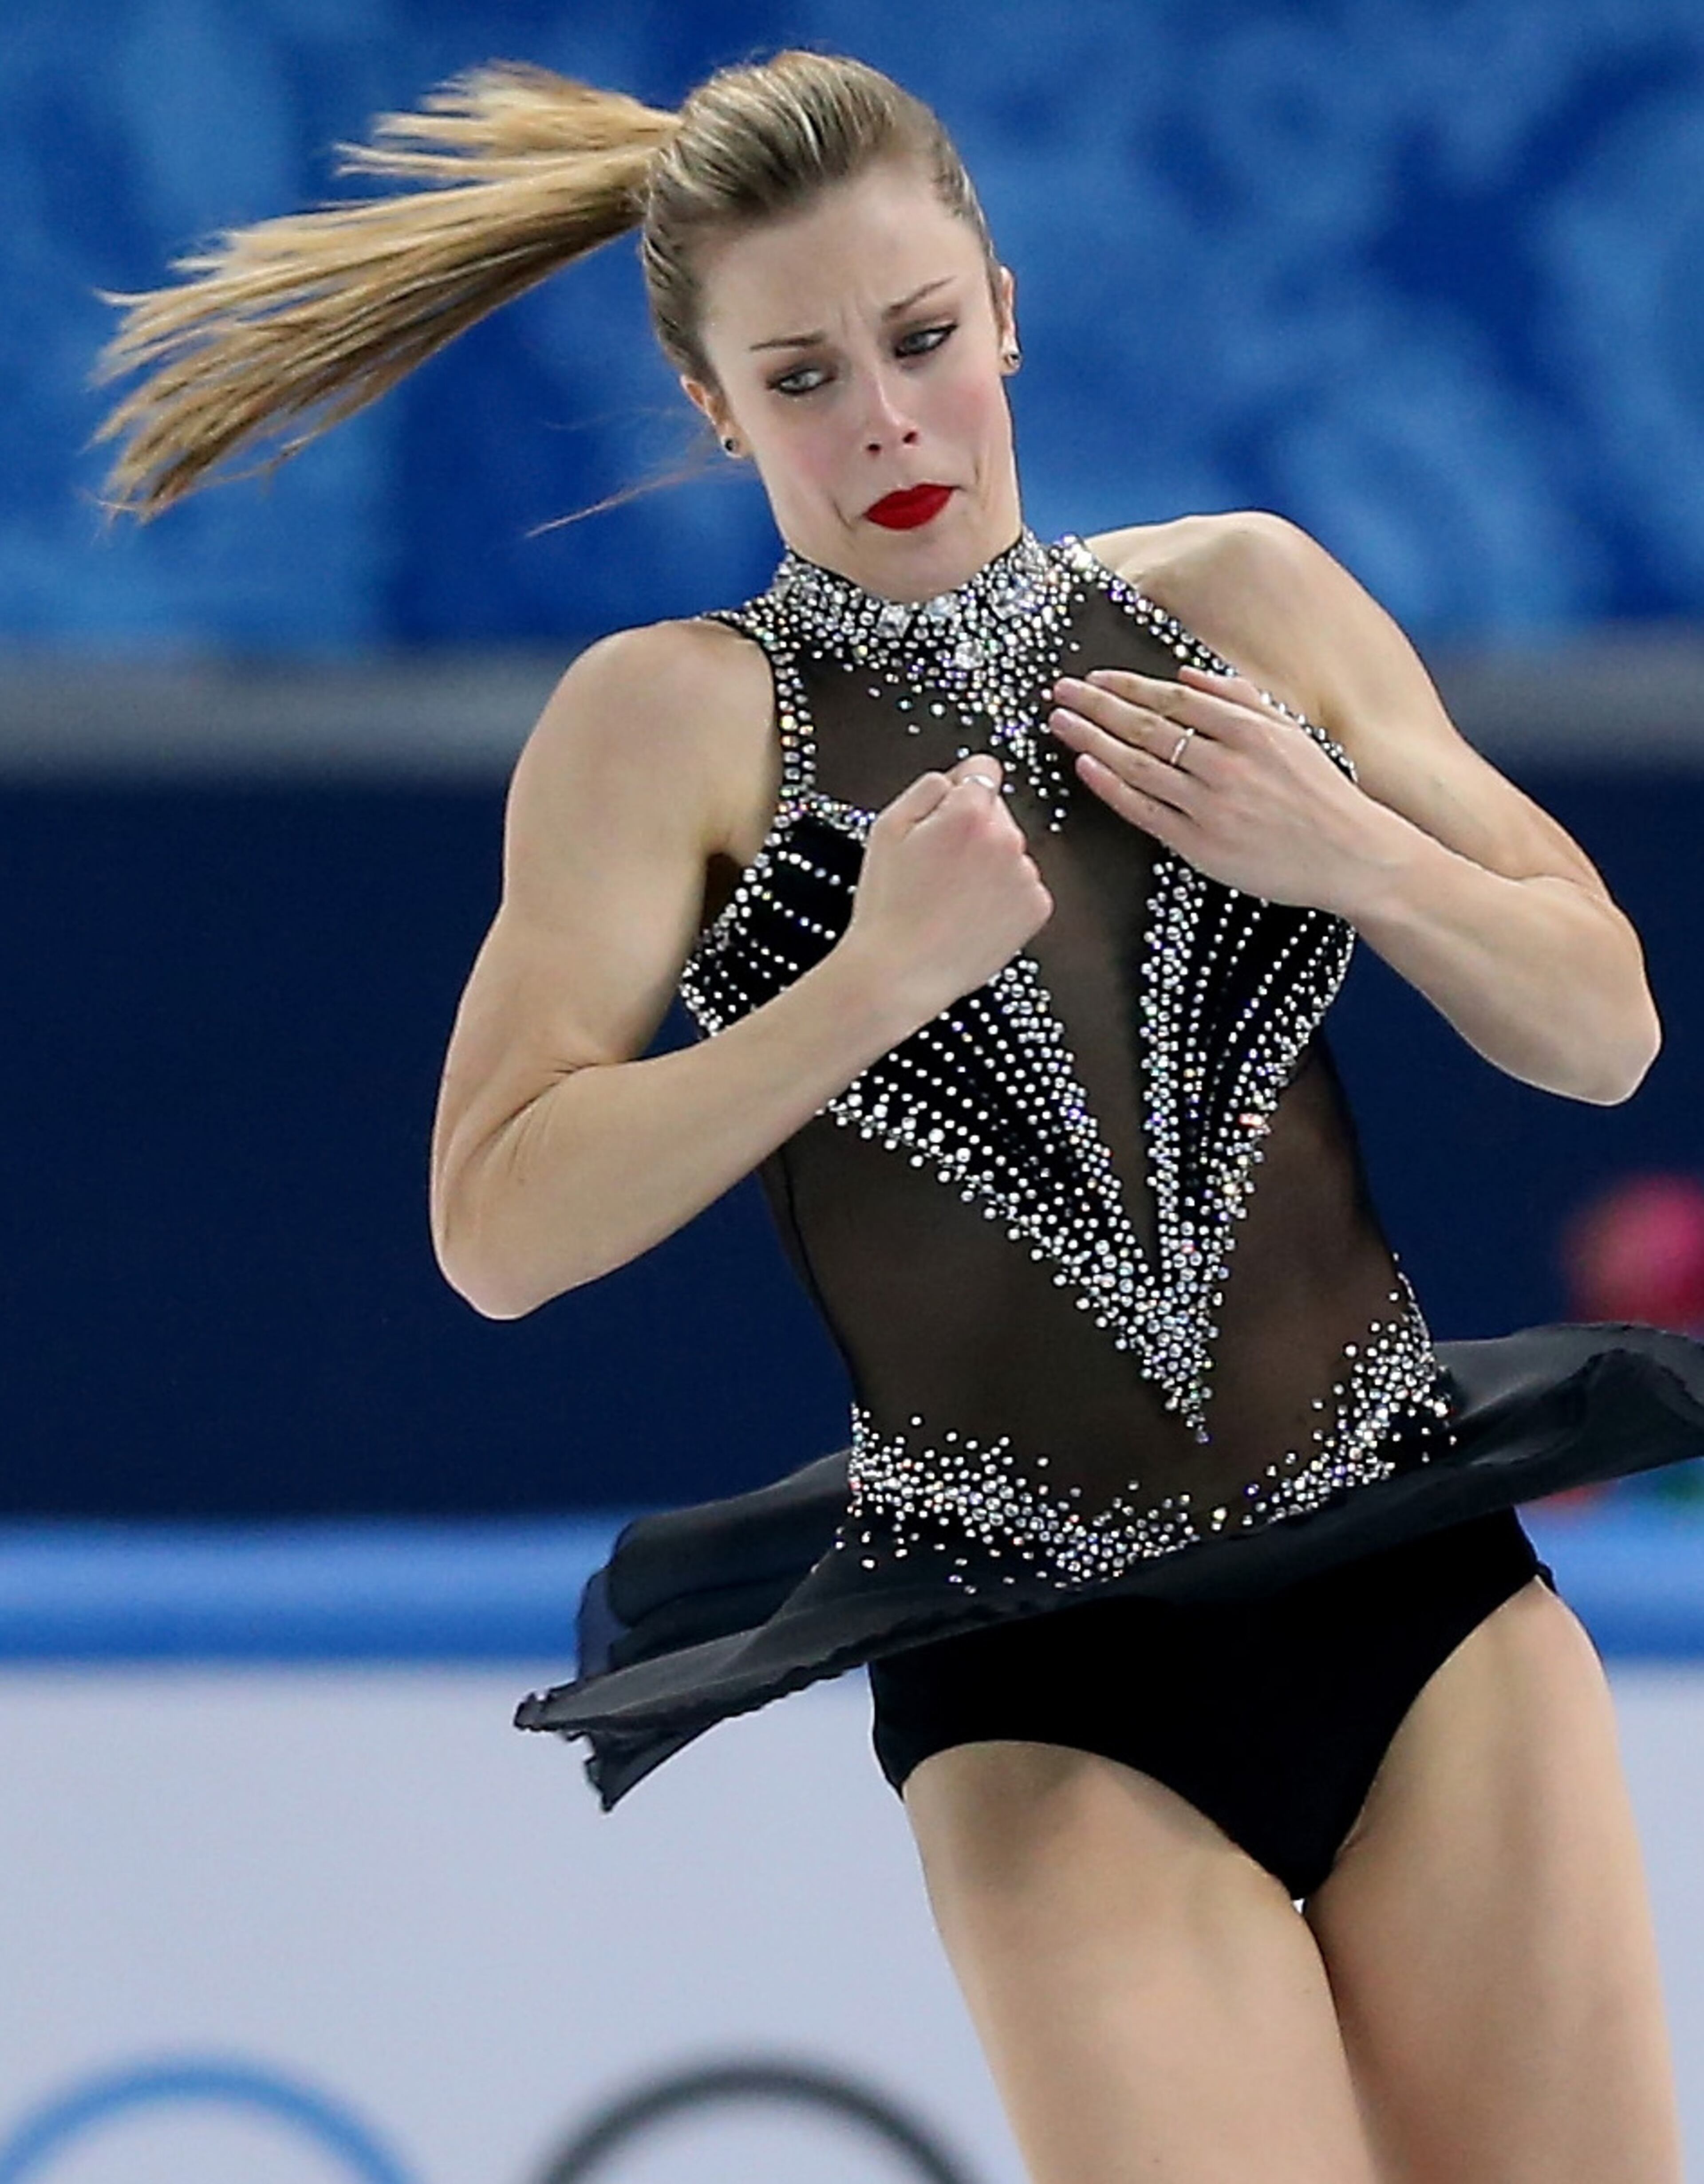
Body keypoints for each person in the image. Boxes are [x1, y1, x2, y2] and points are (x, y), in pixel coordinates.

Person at [95, 48, 1704, 2183]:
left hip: (1420, 1594)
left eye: (924, 337)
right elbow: (494, 1226)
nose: (885, 423)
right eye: (803, 377)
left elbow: (1604, 1031)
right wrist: (862, 983)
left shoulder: (1242, 601)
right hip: (1047, 1685)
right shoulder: (669, 724)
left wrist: (1356, 854)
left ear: (1005, 311)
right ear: (714, 407)